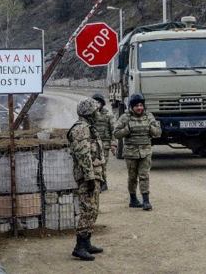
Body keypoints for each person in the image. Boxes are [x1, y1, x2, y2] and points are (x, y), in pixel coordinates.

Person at [66, 98, 106, 261]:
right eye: (96, 111)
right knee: (88, 209)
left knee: (92, 210)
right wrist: (89, 178)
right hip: (87, 177)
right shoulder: (81, 129)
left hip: (93, 175)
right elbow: (83, 155)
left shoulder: (88, 128)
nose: (98, 114)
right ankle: (80, 247)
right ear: (89, 113)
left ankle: (87, 243)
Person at [113, 94, 161, 210]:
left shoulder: (149, 116)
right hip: (131, 153)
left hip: (145, 152)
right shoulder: (125, 117)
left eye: (141, 105)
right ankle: (133, 199)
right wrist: (127, 130)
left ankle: (146, 201)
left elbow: (158, 132)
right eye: (136, 106)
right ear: (131, 107)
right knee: (132, 177)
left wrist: (151, 128)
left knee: (144, 176)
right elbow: (116, 133)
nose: (139, 108)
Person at [91, 93, 117, 192]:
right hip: (93, 144)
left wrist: (113, 144)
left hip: (104, 144)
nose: (97, 104)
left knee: (103, 164)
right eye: (95, 102)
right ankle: (96, 182)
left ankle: (103, 183)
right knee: (93, 164)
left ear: (102, 103)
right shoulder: (90, 115)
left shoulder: (108, 115)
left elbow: (113, 130)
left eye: (99, 102)